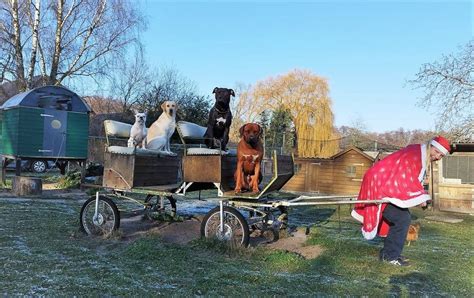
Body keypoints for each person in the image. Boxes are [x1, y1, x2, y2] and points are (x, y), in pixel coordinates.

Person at [351, 136, 451, 266]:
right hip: (380, 186)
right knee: (402, 219)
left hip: (383, 184)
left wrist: (420, 194)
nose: (438, 156)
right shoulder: (415, 155)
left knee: (401, 218)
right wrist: (421, 196)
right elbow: (406, 178)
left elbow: (405, 176)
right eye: (437, 152)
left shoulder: (419, 154)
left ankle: (389, 253)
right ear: (431, 146)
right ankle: (391, 256)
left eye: (441, 155)